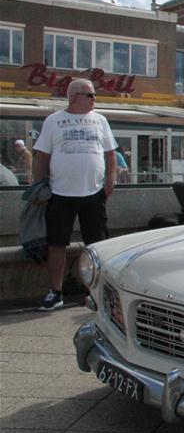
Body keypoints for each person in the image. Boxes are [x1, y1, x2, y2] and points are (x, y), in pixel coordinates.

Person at [32, 79, 117, 311]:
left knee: (96, 245)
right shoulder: (53, 121)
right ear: (73, 96)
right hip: (60, 194)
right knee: (56, 244)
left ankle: (96, 292)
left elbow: (111, 155)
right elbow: (42, 157)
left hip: (93, 194)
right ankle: (55, 291)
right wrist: (38, 187)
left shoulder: (101, 120)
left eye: (94, 95)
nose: (94, 99)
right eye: (89, 95)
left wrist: (110, 183)